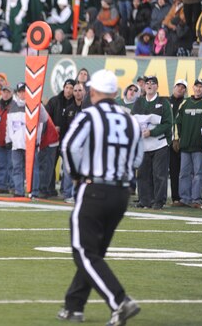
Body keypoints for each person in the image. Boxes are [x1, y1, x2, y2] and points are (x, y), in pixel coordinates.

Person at [57, 69, 143, 325]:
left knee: (83, 251)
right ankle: (74, 306)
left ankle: (120, 301)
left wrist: (75, 174)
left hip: (94, 188)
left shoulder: (89, 114)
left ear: (93, 92)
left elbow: (69, 146)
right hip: (121, 193)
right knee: (94, 252)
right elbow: (138, 156)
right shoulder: (129, 118)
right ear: (115, 93)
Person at [131, 76, 173, 210]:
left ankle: (159, 201)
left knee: (159, 174)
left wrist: (152, 132)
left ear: (157, 87)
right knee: (143, 173)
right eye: (147, 83)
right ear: (144, 86)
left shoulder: (163, 102)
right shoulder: (138, 102)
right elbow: (132, 121)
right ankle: (144, 200)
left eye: (153, 83)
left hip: (159, 144)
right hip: (143, 144)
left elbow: (168, 124)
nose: (149, 85)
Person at [173, 79, 202, 208]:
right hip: (185, 145)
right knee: (183, 173)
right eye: (196, 86)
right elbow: (177, 122)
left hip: (200, 147)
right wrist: (176, 138)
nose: (198, 89)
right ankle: (184, 198)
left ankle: (196, 199)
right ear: (193, 88)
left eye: (201, 87)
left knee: (199, 174)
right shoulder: (185, 103)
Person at [59, 83, 87, 202]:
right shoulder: (69, 109)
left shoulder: (89, 109)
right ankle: (68, 194)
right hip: (71, 145)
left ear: (84, 92)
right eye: (75, 90)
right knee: (68, 170)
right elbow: (64, 129)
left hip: (85, 145)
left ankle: (82, 195)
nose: (77, 92)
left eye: (80, 90)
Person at [169, 79, 187, 205]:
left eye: (183, 87)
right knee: (174, 170)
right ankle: (175, 197)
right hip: (168, 142)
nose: (180, 89)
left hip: (184, 141)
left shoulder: (187, 103)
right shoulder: (165, 102)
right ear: (174, 87)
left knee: (185, 171)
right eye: (178, 86)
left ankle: (185, 197)